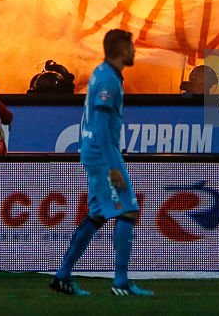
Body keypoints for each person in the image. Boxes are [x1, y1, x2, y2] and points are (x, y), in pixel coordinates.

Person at [51, 28, 153, 297]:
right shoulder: (108, 79)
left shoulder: (103, 74)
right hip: (102, 155)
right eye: (131, 47)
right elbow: (99, 125)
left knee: (97, 215)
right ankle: (120, 281)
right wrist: (113, 166)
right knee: (128, 210)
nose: (134, 52)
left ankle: (62, 274)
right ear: (121, 50)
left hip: (95, 152)